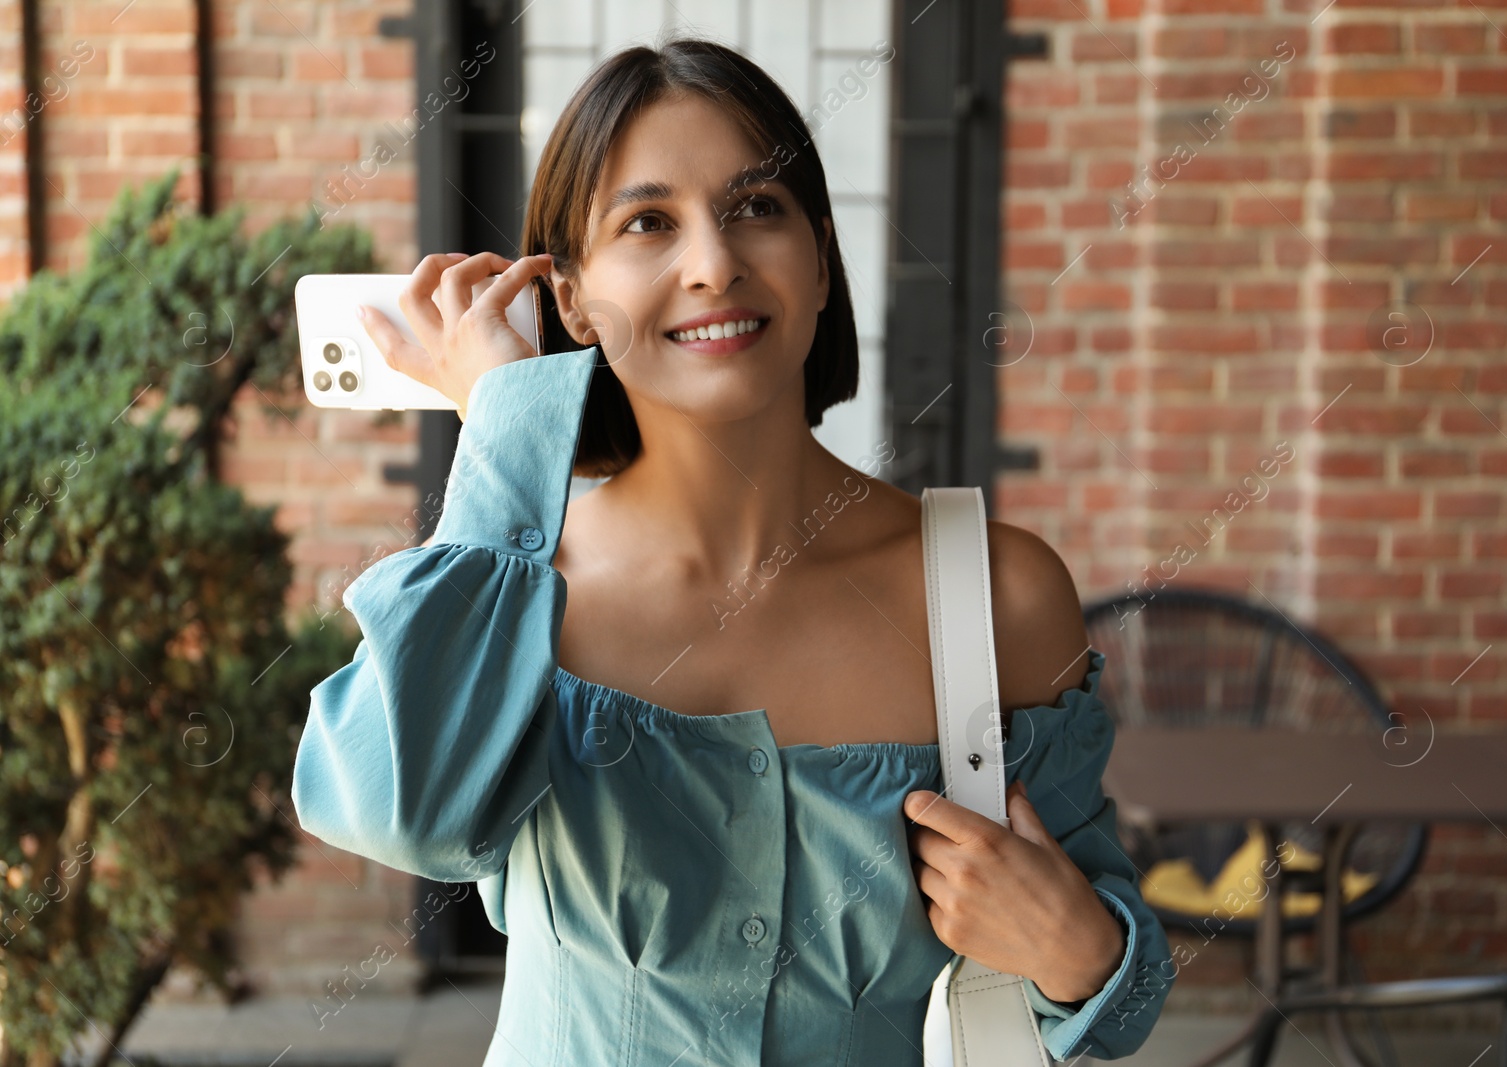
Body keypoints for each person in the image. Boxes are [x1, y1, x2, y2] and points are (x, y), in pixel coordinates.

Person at [292, 36, 1171, 1066]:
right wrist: (500, 426)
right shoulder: (515, 595)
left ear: (820, 263)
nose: (713, 263)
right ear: (568, 298)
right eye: (648, 222)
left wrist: (1081, 948)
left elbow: (1117, 989)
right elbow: (406, 814)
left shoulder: (993, 595)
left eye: (758, 207)